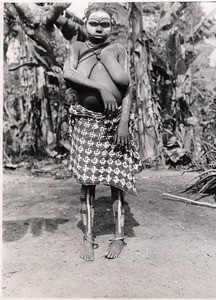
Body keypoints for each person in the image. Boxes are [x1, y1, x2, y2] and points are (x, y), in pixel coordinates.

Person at [63, 3, 141, 261]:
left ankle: (118, 238)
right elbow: (68, 73)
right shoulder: (77, 47)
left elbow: (128, 89)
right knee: (88, 181)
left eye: (104, 24)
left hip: (114, 123)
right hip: (86, 121)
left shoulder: (118, 49)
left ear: (111, 27)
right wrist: (101, 89)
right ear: (84, 24)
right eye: (94, 23)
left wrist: (123, 124)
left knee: (116, 181)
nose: (99, 28)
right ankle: (88, 237)